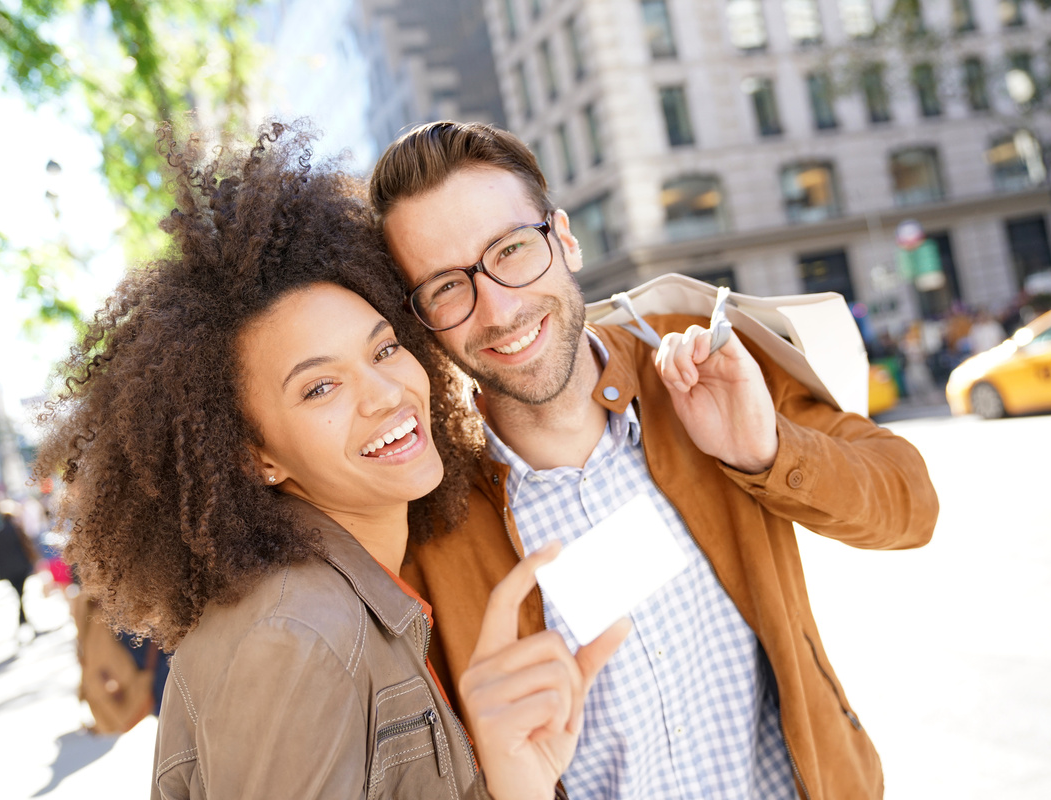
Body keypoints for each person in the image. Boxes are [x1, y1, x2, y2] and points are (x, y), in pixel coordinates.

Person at [34, 121, 627, 799]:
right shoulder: (293, 638)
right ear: (254, 456)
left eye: (382, 350)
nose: (384, 395)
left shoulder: (368, 593)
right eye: (321, 387)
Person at [370, 121, 941, 800]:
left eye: (511, 249)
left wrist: (767, 451)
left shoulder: (706, 362)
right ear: (421, 322)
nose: (498, 307)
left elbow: (912, 507)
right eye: (446, 287)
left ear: (566, 238)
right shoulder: (426, 513)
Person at [0, 500, 38, 631]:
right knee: (21, 592)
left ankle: (22, 616)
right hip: (20, 566)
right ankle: (22, 615)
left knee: (19, 592)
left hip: (9, 569)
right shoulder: (17, 529)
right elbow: (27, 546)